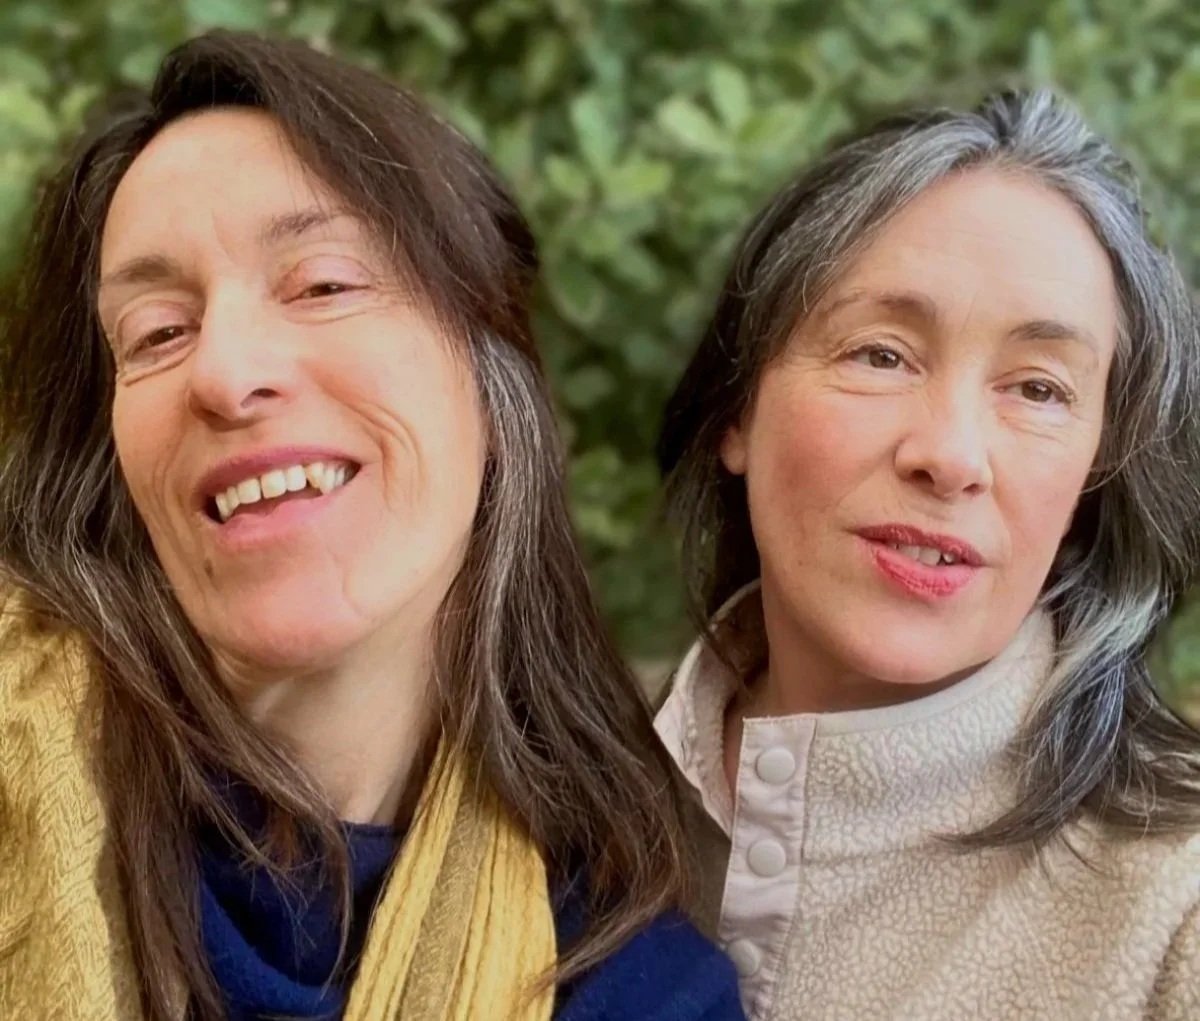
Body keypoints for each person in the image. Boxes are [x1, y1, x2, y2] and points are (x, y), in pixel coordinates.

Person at [0, 31, 745, 1021]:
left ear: (493, 385)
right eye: (157, 334)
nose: (225, 372)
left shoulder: (644, 990)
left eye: (324, 284)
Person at [655, 90, 1200, 1020]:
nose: (950, 455)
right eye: (881, 354)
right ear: (737, 409)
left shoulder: (1173, 905)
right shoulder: (555, 797)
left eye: (1038, 387)